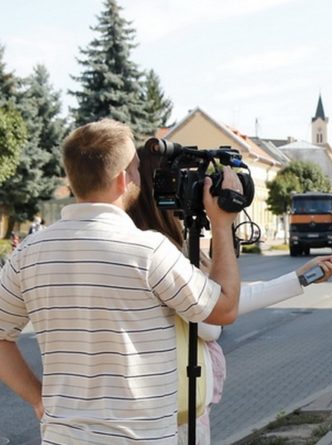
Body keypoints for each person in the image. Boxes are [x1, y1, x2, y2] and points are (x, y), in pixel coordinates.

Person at [0, 119, 242, 444]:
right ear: (122, 179)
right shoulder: (148, 250)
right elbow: (224, 309)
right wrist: (223, 224)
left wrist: (38, 398)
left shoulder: (27, 253)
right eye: (137, 168)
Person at [127, 146, 332, 444]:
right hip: (169, 417)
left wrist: (299, 278)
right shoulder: (158, 254)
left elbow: (227, 300)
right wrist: (221, 224)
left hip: (171, 411)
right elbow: (211, 320)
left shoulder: (157, 245)